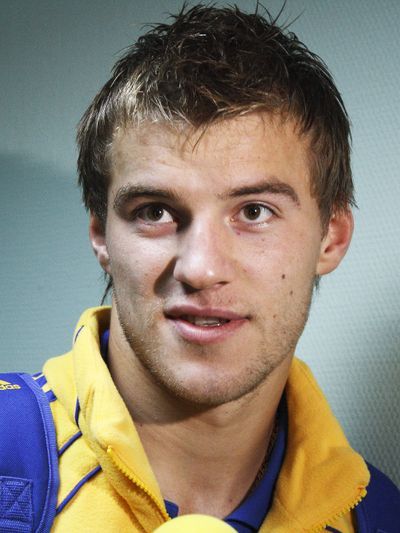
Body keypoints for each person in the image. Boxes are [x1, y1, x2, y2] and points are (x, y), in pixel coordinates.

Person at [2, 4, 398, 532]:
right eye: (155, 212)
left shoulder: (380, 516)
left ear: (332, 236)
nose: (202, 269)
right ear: (101, 235)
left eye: (254, 212)